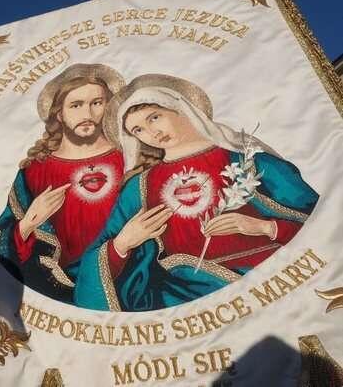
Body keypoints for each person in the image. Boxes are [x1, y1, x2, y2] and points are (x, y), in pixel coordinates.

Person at [74, 74, 319, 311]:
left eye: (155, 117)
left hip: (272, 279)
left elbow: (322, 220)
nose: (152, 133)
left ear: (181, 108)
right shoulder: (139, 187)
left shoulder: (250, 161)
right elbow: (95, 260)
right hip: (184, 299)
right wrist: (124, 242)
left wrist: (265, 227)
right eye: (138, 130)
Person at [0, 63, 126, 303]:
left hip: (128, 284)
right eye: (76, 105)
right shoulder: (35, 171)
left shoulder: (130, 157)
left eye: (97, 103)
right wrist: (29, 222)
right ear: (59, 114)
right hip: (57, 291)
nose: (87, 114)